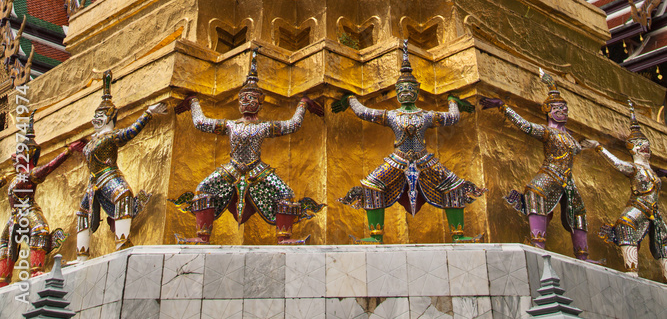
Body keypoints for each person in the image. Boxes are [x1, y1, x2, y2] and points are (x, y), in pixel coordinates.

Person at [334, 40, 485, 243]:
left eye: (409, 88)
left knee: (454, 186)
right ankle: (376, 237)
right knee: (371, 185)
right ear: (396, 92)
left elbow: (452, 118)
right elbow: (363, 112)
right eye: (401, 88)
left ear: (417, 90)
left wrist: (453, 102)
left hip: (424, 159)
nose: (405, 92)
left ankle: (458, 235)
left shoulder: (426, 115)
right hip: (398, 158)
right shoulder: (390, 115)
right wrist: (350, 99)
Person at [172, 48, 324, 244]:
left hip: (257, 169)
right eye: (243, 99)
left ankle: (284, 237)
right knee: (203, 189)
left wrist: (303, 104)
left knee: (286, 194)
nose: (246, 102)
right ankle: (203, 236)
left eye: (251, 98)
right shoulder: (230, 125)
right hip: (232, 167)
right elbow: (201, 122)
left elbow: (292, 125)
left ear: (260, 103)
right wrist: (193, 102)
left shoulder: (264, 126)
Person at [480, 68, 596, 258]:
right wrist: (503, 106)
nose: (563, 112)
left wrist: (597, 146)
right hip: (550, 173)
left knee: (579, 210)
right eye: (558, 109)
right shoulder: (547, 132)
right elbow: (525, 126)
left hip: (567, 179)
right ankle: (538, 243)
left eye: (565, 109)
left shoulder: (570, 137)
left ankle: (583, 255)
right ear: (548, 112)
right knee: (535, 192)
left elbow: (578, 148)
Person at [76, 70, 167, 257]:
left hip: (110, 176)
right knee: (83, 212)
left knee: (124, 195)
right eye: (95, 116)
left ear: (109, 117)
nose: (95, 120)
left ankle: (122, 241)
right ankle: (81, 255)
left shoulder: (110, 136)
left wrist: (148, 113)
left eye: (100, 116)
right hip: (93, 182)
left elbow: (130, 132)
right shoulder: (92, 141)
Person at [0, 113, 83, 282]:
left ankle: (36, 269)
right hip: (15, 216)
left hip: (28, 210)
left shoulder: (30, 174)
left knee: (40, 230)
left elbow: (49, 167)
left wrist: (68, 152)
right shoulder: (14, 178)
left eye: (19, 155)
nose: (14, 159)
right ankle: (3, 278)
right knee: (5, 244)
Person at [594, 99, 667, 278]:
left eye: (647, 146)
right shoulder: (635, 168)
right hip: (636, 210)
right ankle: (631, 270)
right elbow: (618, 164)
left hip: (654, 213)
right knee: (626, 228)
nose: (645, 149)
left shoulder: (652, 171)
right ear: (633, 148)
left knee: (664, 242)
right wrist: (599, 148)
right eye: (641, 147)